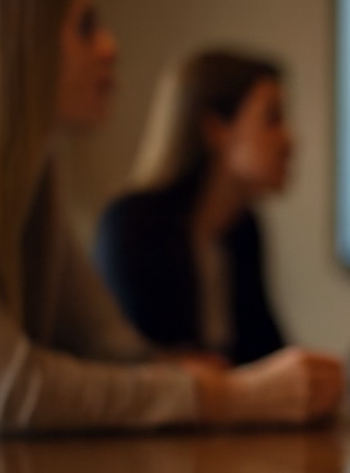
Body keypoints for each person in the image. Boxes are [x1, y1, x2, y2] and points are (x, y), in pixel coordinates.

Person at [0, 0, 343, 432]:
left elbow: (109, 346)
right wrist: (221, 395)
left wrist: (187, 379)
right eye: (86, 27)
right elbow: (3, 390)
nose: (110, 47)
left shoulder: (38, 175)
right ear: (16, 38)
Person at [96, 50, 291, 365]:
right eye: (273, 119)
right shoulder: (132, 226)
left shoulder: (243, 229)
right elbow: (142, 363)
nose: (289, 139)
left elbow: (267, 354)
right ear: (216, 129)